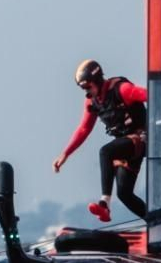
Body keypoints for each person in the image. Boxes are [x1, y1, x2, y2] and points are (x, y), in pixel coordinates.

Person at [53, 59, 148, 222]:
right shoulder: (92, 102)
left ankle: (104, 203)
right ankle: (155, 221)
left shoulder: (122, 90)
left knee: (105, 152)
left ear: (97, 80)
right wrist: (65, 154)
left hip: (141, 139)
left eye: (88, 87)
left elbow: (153, 94)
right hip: (124, 145)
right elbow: (84, 128)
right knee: (124, 194)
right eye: (83, 89)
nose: (87, 92)